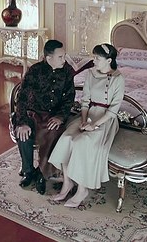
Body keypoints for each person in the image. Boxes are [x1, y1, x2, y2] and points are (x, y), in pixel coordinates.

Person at [48, 43, 124, 208]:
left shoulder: (118, 79)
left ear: (109, 60)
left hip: (105, 120)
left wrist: (94, 125)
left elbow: (113, 111)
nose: (93, 61)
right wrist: (83, 120)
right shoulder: (90, 73)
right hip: (88, 115)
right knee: (67, 138)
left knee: (81, 142)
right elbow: (85, 101)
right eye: (94, 57)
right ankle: (67, 183)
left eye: (97, 58)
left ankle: (82, 189)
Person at [10, 39, 76, 195]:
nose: (64, 60)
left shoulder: (67, 71)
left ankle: (42, 173)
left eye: (64, 55)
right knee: (23, 132)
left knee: (54, 132)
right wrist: (23, 122)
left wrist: (60, 116)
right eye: (60, 57)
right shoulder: (35, 70)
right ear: (48, 58)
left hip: (52, 115)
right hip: (32, 113)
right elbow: (22, 98)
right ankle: (28, 172)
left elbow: (69, 98)